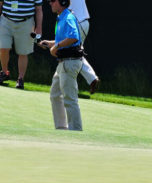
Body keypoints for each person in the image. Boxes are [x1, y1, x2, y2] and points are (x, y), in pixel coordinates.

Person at [39, 0, 83, 130]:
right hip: (63, 63)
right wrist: (51, 43)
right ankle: (61, 128)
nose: (50, 3)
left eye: (53, 1)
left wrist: (56, 46)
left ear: (62, 2)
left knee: (69, 99)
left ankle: (75, 131)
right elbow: (64, 40)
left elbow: (73, 37)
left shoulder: (68, 17)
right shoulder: (62, 17)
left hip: (69, 62)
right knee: (55, 95)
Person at [0, 0, 43, 89]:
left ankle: (20, 79)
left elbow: (39, 9)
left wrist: (39, 27)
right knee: (3, 47)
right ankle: (4, 73)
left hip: (26, 22)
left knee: (23, 52)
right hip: (5, 20)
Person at [68, 0, 99, 94]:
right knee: (75, 54)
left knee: (68, 54)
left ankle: (69, 86)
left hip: (78, 23)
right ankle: (92, 79)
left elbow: (64, 9)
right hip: (84, 23)